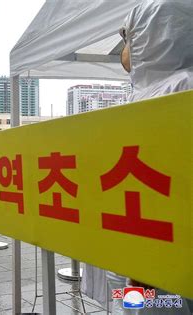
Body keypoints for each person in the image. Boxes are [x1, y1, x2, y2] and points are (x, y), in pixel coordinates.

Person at [107, 1, 193, 314]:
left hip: (166, 229)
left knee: (164, 300)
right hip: (144, 227)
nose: (124, 50)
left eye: (127, 38)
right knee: (143, 298)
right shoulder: (142, 91)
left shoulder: (183, 84)